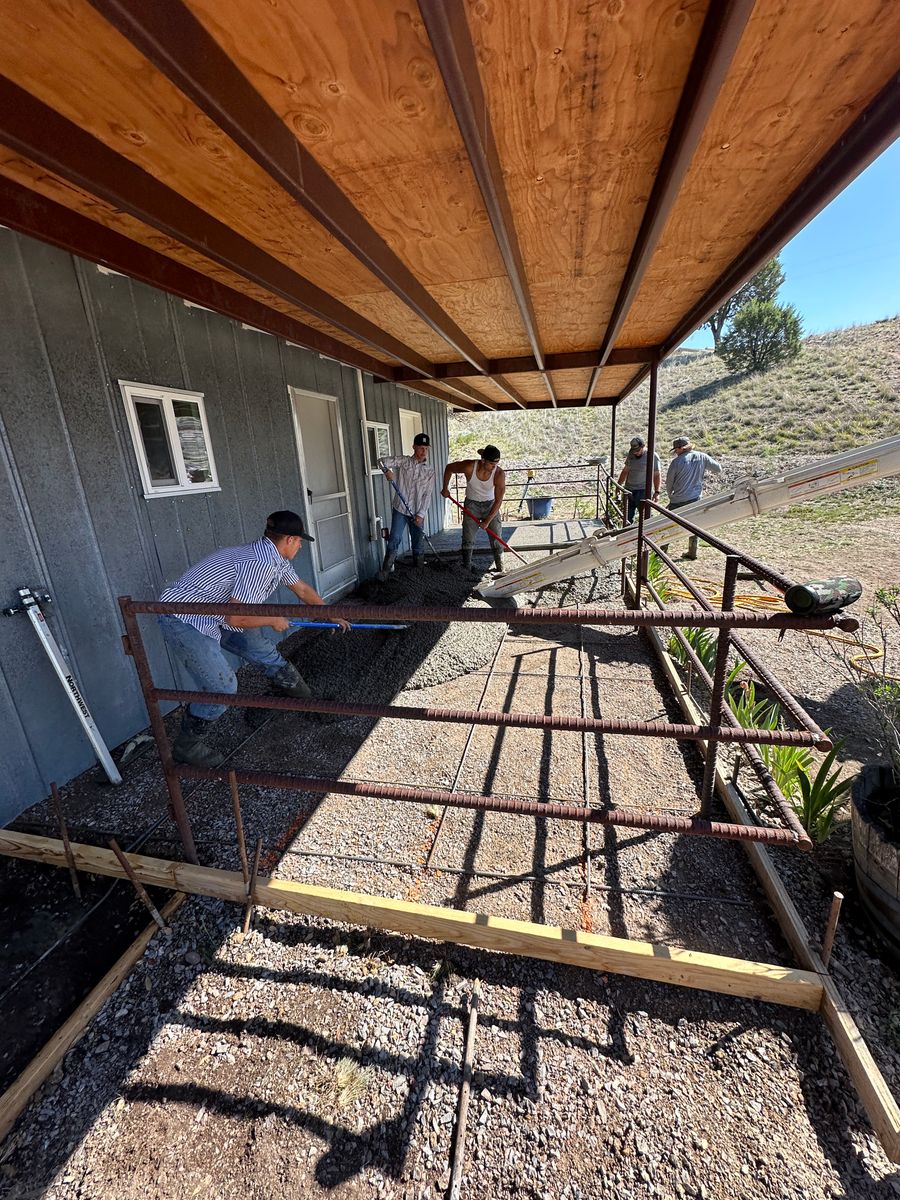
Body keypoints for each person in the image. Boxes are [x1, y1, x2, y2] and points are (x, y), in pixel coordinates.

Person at [158, 510, 348, 768]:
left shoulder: (275, 559)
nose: (302, 545)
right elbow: (237, 620)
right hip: (184, 617)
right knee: (223, 688)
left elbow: (301, 589)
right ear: (289, 540)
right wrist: (272, 619)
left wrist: (328, 614)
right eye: (300, 540)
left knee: (261, 650)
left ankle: (304, 699)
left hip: (216, 611)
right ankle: (186, 746)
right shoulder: (259, 564)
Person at [377, 432, 436, 580]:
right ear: (414, 447)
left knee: (417, 540)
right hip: (400, 509)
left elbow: (426, 495)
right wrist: (387, 471)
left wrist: (421, 514)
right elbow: (381, 461)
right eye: (421, 448)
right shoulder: (404, 462)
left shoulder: (429, 471)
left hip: (417, 512)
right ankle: (385, 572)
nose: (424, 451)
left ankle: (419, 571)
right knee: (395, 538)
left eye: (426, 448)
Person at [441, 445, 506, 574]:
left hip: (491, 505)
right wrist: (445, 488)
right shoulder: (469, 466)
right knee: (468, 537)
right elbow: (449, 468)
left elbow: (498, 501)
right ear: (483, 460)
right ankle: (467, 567)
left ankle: (500, 567)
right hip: (471, 505)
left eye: (496, 463)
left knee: (497, 537)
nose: (494, 467)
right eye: (492, 464)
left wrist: (487, 521)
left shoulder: (499, 474)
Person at [664, 436, 722, 558]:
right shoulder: (702, 456)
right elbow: (718, 469)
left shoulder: (676, 462)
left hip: (678, 498)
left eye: (676, 450)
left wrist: (671, 496)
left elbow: (669, 482)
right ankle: (692, 551)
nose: (675, 452)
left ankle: (662, 550)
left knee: (670, 524)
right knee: (694, 524)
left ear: (680, 449)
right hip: (695, 497)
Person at [617, 436, 661, 523]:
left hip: (643, 491)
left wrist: (657, 492)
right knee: (627, 516)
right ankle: (628, 534)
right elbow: (625, 470)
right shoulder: (631, 455)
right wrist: (618, 486)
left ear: (643, 447)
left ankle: (645, 534)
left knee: (645, 517)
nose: (635, 453)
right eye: (634, 451)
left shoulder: (652, 456)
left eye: (637, 451)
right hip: (629, 490)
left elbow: (657, 475)